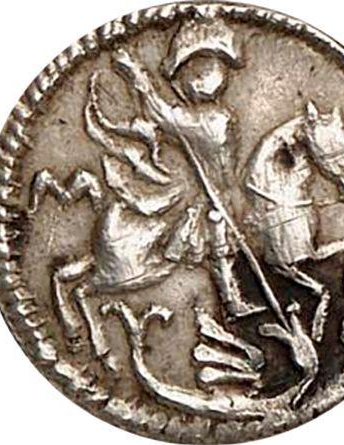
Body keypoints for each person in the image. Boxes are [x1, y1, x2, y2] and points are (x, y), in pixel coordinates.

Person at [113, 18, 265, 318]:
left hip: (216, 196)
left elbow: (160, 112)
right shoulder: (216, 116)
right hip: (215, 195)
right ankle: (230, 301)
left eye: (199, 74)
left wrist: (135, 74)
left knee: (220, 249)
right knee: (219, 250)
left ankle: (230, 302)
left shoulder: (210, 121)